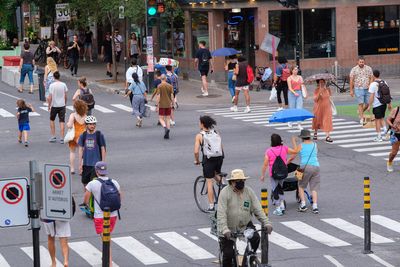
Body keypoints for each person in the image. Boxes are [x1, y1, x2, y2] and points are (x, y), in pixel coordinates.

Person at [217, 169, 273, 267]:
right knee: (228, 255)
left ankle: (247, 259)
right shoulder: (225, 193)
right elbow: (221, 213)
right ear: (232, 182)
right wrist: (225, 229)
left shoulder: (248, 192)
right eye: (238, 181)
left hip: (245, 224)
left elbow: (257, 209)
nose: (241, 183)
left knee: (255, 238)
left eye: (242, 180)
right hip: (228, 227)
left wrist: (266, 223)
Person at [84, 161, 121, 267]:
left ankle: (109, 262)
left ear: (96, 171)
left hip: (100, 216)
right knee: (107, 236)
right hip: (113, 215)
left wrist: (87, 205)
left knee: (106, 238)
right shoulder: (114, 182)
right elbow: (120, 197)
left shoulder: (92, 184)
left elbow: (86, 199)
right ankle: (105, 257)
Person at [260, 134, 297, 216]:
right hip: (283, 172)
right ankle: (282, 205)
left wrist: (262, 175)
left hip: (273, 174)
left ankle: (278, 208)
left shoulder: (269, 151)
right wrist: (294, 141)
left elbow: (265, 164)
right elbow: (295, 151)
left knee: (275, 189)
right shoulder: (284, 148)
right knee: (280, 188)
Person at [194, 115, 224, 212]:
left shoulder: (200, 135)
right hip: (219, 158)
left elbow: (196, 151)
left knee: (209, 182)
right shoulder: (216, 132)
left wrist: (197, 160)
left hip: (209, 159)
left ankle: (211, 206)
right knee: (215, 173)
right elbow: (221, 147)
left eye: (199, 122)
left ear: (202, 124)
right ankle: (223, 184)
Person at [292, 130, 320, 214]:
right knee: (314, 187)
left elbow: (294, 152)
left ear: (302, 138)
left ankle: (303, 204)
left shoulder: (301, 145)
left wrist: (293, 141)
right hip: (316, 166)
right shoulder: (315, 144)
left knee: (300, 185)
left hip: (302, 167)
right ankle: (315, 206)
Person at [78, 116, 106, 188]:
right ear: (86, 125)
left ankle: (94, 199)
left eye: (94, 124)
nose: (92, 126)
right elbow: (80, 150)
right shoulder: (83, 136)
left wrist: (103, 162)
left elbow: (103, 149)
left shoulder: (99, 135)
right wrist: (80, 165)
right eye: (90, 124)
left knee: (95, 185)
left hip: (96, 165)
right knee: (85, 184)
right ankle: (87, 198)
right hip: (86, 164)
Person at [367, 70, 391, 142]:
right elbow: (388, 93)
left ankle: (379, 137)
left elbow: (371, 96)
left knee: (377, 120)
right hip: (384, 104)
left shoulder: (373, 84)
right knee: (381, 118)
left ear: (373, 75)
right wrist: (389, 103)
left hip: (377, 105)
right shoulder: (384, 82)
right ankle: (387, 133)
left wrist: (369, 105)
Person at [349, 57, 374, 125]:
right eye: (360, 62)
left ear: (364, 62)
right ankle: (361, 118)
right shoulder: (354, 69)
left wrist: (370, 85)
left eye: (362, 62)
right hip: (358, 88)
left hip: (367, 89)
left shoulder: (368, 68)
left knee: (368, 103)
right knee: (361, 103)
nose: (361, 63)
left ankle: (361, 111)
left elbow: (371, 77)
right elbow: (351, 80)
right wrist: (351, 90)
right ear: (357, 62)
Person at [67, 100, 87, 175]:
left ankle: (72, 168)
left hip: (74, 135)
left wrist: (67, 124)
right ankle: (81, 168)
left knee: (72, 152)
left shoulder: (73, 115)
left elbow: (69, 125)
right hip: (83, 135)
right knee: (82, 152)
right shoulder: (85, 116)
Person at [48, 71, 68, 144]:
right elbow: (65, 96)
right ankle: (62, 138)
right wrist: (65, 104)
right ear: (59, 77)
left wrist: (49, 105)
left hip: (54, 105)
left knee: (52, 120)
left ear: (54, 77)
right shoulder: (64, 85)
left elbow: (50, 97)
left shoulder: (52, 85)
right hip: (62, 105)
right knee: (62, 121)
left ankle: (53, 136)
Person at [287, 65, 307, 130]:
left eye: (297, 69)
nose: (296, 71)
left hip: (299, 93)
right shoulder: (289, 78)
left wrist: (305, 93)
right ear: (292, 70)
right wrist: (294, 92)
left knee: (299, 109)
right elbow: (289, 88)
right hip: (291, 94)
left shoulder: (300, 77)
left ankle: (299, 124)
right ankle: (290, 121)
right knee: (292, 108)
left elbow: (302, 85)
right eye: (295, 69)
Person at [154, 75, 174, 139]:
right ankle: (167, 132)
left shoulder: (159, 86)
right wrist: (173, 103)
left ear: (161, 79)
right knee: (168, 118)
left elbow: (158, 96)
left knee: (161, 118)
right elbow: (172, 96)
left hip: (162, 105)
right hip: (168, 104)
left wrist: (157, 105)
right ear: (165, 79)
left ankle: (165, 128)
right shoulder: (170, 86)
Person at [386, 105, 400, 172]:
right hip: (396, 133)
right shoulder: (396, 110)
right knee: (394, 152)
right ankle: (389, 162)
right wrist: (392, 126)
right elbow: (388, 120)